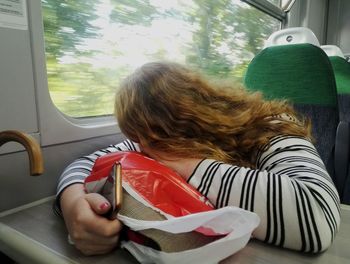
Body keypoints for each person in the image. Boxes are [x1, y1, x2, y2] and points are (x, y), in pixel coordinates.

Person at [55, 61, 340, 256]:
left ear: (187, 120)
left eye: (149, 139)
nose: (140, 148)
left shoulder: (272, 126)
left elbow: (317, 214)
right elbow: (86, 164)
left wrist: (187, 167)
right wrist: (73, 206)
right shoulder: (149, 140)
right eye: (138, 139)